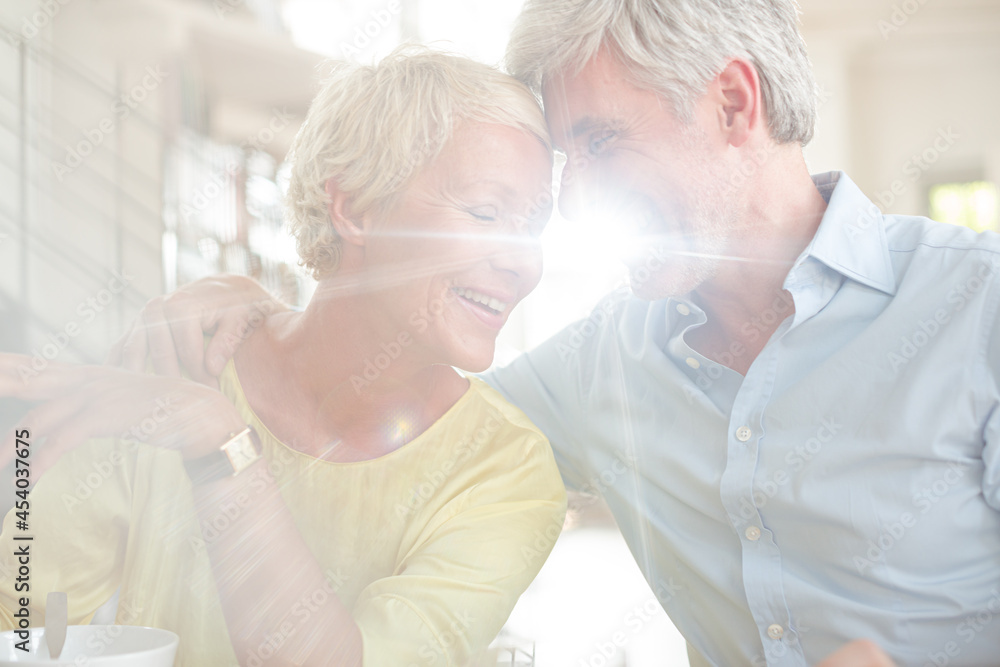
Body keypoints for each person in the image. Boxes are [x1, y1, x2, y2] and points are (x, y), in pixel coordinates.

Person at [121, 1, 1000, 666]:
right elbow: (407, 412)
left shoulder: (978, 309)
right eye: (563, 167)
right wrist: (252, 310)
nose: (577, 201)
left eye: (603, 143)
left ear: (734, 103)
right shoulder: (602, 361)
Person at [0, 48, 566, 666]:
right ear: (354, 207)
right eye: (486, 212)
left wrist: (223, 447)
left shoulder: (505, 470)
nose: (523, 262)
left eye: (533, 227)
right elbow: (21, 619)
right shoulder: (176, 365)